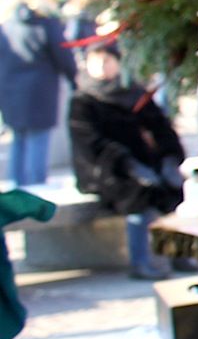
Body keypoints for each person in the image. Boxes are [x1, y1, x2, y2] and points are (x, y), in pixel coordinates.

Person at [68, 40, 188, 280]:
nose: (102, 67)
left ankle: (180, 251)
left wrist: (169, 158)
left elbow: (162, 128)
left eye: (107, 60)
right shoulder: (83, 101)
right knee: (139, 198)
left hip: (144, 163)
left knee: (173, 190)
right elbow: (90, 144)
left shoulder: (134, 93)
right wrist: (128, 165)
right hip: (105, 170)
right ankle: (143, 260)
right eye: (96, 62)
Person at [0, 0, 76, 187]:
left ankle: (17, 186)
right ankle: (36, 187)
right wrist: (74, 79)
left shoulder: (6, 25)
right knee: (38, 139)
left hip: (8, 89)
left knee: (19, 138)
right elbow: (63, 55)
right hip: (39, 88)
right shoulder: (45, 22)